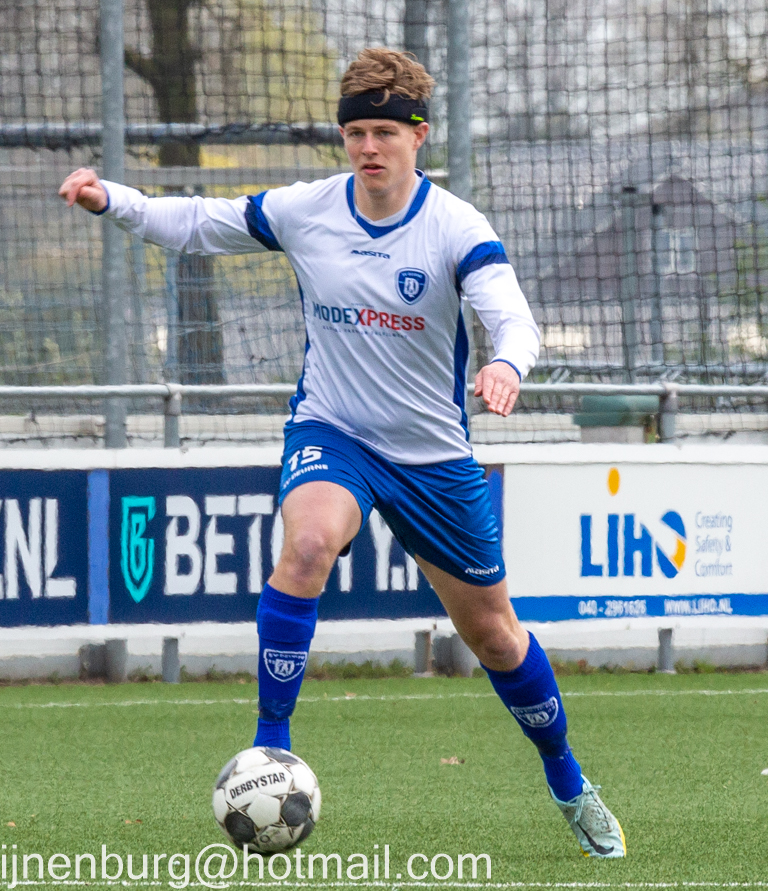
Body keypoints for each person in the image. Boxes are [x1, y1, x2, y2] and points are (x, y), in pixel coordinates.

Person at [60, 48, 624, 859]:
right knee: (309, 544)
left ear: (418, 136)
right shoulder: (308, 209)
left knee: (497, 637)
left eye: (385, 132)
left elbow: (513, 317)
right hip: (333, 431)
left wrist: (506, 363)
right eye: (356, 132)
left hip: (431, 455)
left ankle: (568, 778)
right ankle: (269, 752)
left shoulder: (456, 226)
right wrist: (113, 199)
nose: (368, 147)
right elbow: (199, 222)